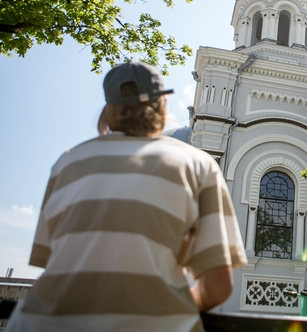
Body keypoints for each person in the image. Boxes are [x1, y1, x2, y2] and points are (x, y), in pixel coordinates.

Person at [6, 61, 247, 332]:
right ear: (161, 104)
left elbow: (57, 263)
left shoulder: (67, 162)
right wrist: (166, 306)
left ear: (109, 108)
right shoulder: (197, 164)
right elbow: (217, 287)